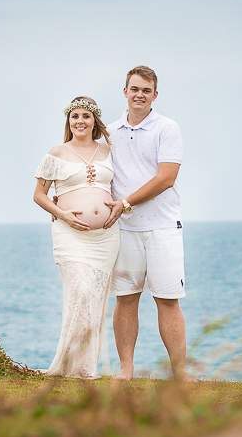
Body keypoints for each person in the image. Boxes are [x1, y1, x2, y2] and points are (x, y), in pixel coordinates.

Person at [101, 66, 191, 381]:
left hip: (163, 227)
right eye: (134, 89)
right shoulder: (109, 132)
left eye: (146, 90)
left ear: (155, 95)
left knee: (167, 300)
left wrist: (126, 203)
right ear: (125, 92)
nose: (140, 95)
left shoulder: (167, 128)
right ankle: (126, 369)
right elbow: (93, 171)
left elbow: (167, 178)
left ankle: (180, 372)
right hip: (123, 230)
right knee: (125, 299)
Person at [33, 96, 121, 378]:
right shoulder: (56, 153)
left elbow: (118, 188)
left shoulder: (108, 151)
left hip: (106, 239)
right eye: (75, 116)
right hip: (69, 234)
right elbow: (39, 195)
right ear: (68, 121)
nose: (80, 121)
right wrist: (63, 213)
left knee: (95, 298)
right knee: (80, 291)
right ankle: (67, 364)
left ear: (94, 120)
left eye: (86, 116)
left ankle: (83, 369)